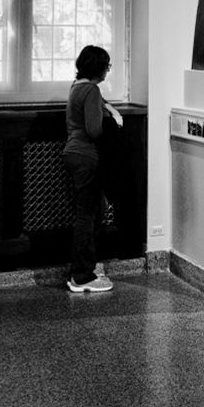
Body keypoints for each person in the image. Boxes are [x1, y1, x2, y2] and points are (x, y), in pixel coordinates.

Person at [62, 44, 122, 293]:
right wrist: (109, 117)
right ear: (98, 68)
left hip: (74, 153)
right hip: (87, 156)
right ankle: (82, 276)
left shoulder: (77, 87)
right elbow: (94, 129)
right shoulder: (92, 90)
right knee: (87, 215)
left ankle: (85, 267)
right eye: (106, 66)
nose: (108, 71)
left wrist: (108, 107)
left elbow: (97, 102)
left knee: (95, 209)